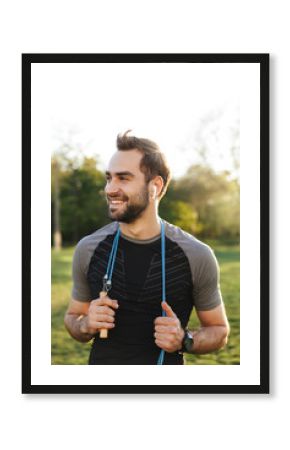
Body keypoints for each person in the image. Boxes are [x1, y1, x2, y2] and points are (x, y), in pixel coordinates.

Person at [64, 131, 230, 365]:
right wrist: (85, 324)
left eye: (123, 178)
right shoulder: (88, 248)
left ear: (155, 186)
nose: (110, 189)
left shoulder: (196, 255)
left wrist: (185, 339)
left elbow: (219, 331)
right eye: (109, 178)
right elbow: (73, 318)